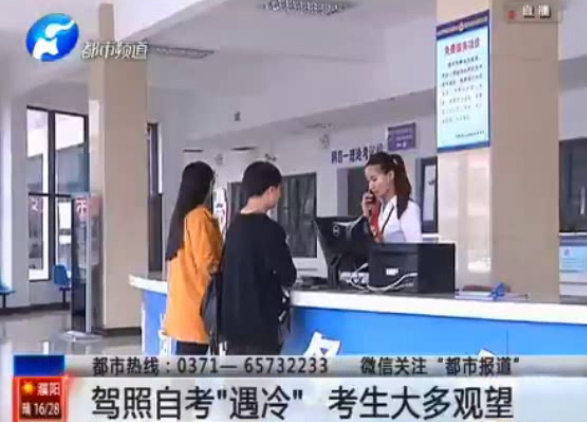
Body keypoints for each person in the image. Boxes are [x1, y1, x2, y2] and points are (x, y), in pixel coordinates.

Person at [220, 161, 297, 355]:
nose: (280, 196)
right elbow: (288, 276)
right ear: (271, 190)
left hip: (232, 329)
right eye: (279, 190)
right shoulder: (270, 230)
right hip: (261, 329)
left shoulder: (233, 227)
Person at [165, 162, 222, 355]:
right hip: (199, 310)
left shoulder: (181, 219)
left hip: (184, 312)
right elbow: (209, 264)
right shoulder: (199, 218)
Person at [361, 152, 422, 243]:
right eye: (369, 181)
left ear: (390, 175)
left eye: (374, 179)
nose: (371, 186)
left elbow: (416, 247)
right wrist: (366, 215)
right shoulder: (379, 211)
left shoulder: (408, 208)